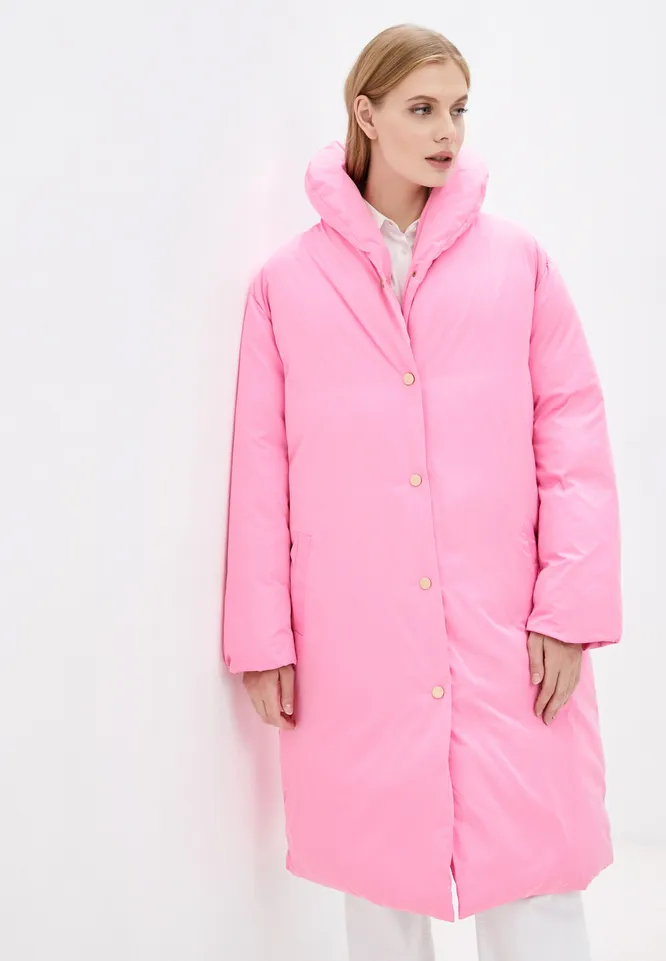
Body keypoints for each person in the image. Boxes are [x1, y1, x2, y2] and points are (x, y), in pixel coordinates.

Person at [221, 22, 622, 961]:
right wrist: (263, 639)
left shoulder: (517, 265)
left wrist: (568, 610)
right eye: (423, 108)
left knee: (535, 873)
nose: (448, 131)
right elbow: (261, 466)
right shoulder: (288, 286)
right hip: (356, 636)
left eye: (459, 109)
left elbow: (574, 438)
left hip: (508, 628)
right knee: (379, 880)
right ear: (366, 115)